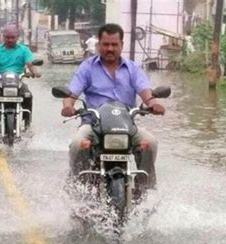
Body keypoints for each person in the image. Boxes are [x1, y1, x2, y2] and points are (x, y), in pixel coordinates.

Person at [60, 23, 165, 189]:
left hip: (125, 124)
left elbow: (145, 91)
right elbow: (71, 94)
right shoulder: (87, 67)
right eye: (106, 44)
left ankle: (146, 189)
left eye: (114, 44)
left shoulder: (133, 68)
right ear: (98, 45)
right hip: (93, 125)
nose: (110, 48)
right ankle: (76, 187)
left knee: (150, 142)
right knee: (77, 143)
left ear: (121, 45)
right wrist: (68, 106)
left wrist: (153, 104)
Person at [0, 25, 41, 129]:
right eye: (7, 37)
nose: (10, 40)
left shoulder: (24, 50)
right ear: (3, 37)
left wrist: (35, 72)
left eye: (13, 37)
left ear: (17, 37)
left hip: (18, 82)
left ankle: (27, 123)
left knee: (27, 95)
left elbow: (30, 64)